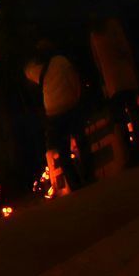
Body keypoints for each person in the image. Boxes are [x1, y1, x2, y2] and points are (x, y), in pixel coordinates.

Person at [25, 41, 92, 191]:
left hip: (53, 110)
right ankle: (88, 175)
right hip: (71, 104)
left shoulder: (37, 70)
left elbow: (27, 70)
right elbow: (74, 78)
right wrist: (77, 95)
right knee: (81, 141)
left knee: (63, 150)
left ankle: (74, 182)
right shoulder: (62, 61)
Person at [89, 15, 139, 165]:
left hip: (111, 83)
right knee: (134, 113)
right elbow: (124, 48)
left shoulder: (94, 35)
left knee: (120, 120)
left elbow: (97, 62)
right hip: (124, 75)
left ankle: (128, 155)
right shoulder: (113, 25)